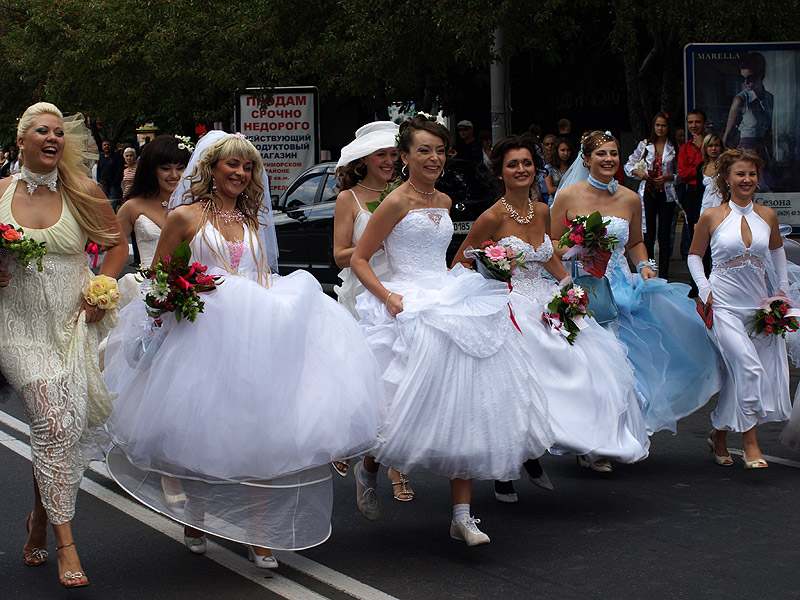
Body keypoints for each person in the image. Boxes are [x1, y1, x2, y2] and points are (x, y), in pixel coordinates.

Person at [103, 131, 383, 566]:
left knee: (260, 430)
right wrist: (175, 298)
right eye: (232, 164)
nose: (241, 173)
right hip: (201, 335)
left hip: (253, 336)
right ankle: (195, 518)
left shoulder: (254, 219)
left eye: (247, 166)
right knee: (199, 428)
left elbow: (263, 274)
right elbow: (160, 275)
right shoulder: (185, 217)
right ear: (212, 169)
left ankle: (259, 534)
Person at [351, 115, 553, 546]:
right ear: (404, 157)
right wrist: (388, 297)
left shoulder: (443, 200)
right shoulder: (394, 202)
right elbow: (359, 259)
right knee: (398, 399)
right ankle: (369, 469)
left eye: (440, 151)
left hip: (442, 291)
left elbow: (450, 258)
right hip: (406, 298)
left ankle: (462, 515)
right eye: (424, 150)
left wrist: (483, 267)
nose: (434, 158)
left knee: (467, 397)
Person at [453, 135, 649, 485]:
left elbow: (549, 256)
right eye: (512, 164)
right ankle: (510, 468)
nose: (521, 170)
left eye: (527, 163)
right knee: (523, 382)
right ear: (499, 172)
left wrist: (568, 288)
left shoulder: (541, 209)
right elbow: (461, 262)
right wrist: (496, 275)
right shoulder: (492, 217)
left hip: (545, 299)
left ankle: (584, 441)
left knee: (586, 361)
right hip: (511, 305)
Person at [0, 102, 128, 588]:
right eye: (41, 132)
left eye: (58, 132)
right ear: (22, 142)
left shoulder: (84, 191)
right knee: (53, 417)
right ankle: (67, 545)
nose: (52, 138)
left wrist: (104, 288)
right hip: (17, 324)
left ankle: (38, 521)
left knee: (60, 426)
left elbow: (116, 245)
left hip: (74, 323)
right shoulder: (0, 194)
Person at [552, 130, 721, 436]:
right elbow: (551, 242)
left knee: (627, 363)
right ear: (587, 159)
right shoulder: (567, 196)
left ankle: (618, 432)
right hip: (583, 287)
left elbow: (635, 243)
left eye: (613, 154)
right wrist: (578, 250)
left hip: (620, 289)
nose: (608, 159)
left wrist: (644, 266)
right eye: (601, 154)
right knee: (592, 364)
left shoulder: (630, 198)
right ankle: (590, 433)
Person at [688, 149, 790, 468]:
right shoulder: (712, 216)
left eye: (752, 174)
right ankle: (750, 442)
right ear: (727, 179)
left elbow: (777, 255)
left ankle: (718, 432)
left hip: (758, 310)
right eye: (740, 174)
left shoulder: (768, 216)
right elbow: (694, 256)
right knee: (747, 366)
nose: (747, 180)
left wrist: (782, 291)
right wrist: (704, 289)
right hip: (723, 309)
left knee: (739, 377)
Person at [330, 121, 413, 500]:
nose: (390, 161)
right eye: (382, 154)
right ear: (364, 160)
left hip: (398, 291)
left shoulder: (404, 194)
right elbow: (339, 255)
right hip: (363, 292)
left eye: (394, 154)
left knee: (399, 377)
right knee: (366, 378)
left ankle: (392, 463)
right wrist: (371, 243)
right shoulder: (349, 198)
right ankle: (351, 439)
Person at [114, 136, 190, 306]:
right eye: (165, 168)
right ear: (151, 169)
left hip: (188, 291)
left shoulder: (195, 205)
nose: (174, 175)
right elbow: (112, 247)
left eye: (180, 168)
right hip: (145, 291)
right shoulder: (133, 206)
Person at [624, 112, 679, 279]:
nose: (660, 129)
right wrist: (640, 173)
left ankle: (664, 275)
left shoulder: (675, 147)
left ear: (668, 127)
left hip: (666, 193)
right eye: (657, 125)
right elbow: (629, 165)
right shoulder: (645, 145)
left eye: (663, 125)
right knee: (647, 234)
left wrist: (669, 178)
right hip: (648, 192)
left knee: (664, 234)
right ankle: (646, 272)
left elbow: (681, 174)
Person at [723, 53, 773, 165]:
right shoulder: (740, 99)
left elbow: (770, 129)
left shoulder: (769, 98)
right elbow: (728, 133)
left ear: (761, 75)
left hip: (764, 147)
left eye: (750, 78)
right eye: (743, 78)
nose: (746, 83)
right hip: (747, 147)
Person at [677, 110, 707, 293]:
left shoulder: (710, 145)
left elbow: (712, 168)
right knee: (693, 235)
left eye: (697, 122)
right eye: (690, 122)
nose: (694, 126)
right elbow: (684, 173)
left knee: (710, 236)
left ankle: (710, 275)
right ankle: (695, 280)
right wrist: (698, 167)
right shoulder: (685, 148)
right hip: (691, 194)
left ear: (704, 123)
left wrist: (703, 148)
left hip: (708, 193)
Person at [698, 134, 726, 217]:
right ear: (705, 148)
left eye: (716, 145)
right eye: (710, 146)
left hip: (723, 206)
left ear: (721, 147)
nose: (713, 148)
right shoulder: (701, 167)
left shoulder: (726, 165)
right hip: (706, 206)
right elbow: (698, 192)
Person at [96, 140, 124, 208]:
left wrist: (116, 183)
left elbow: (120, 171)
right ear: (102, 147)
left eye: (108, 145)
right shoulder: (101, 158)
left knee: (112, 204)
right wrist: (99, 181)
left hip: (113, 186)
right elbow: (99, 170)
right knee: (104, 204)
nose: (106, 147)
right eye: (105, 145)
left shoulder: (117, 157)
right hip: (103, 185)